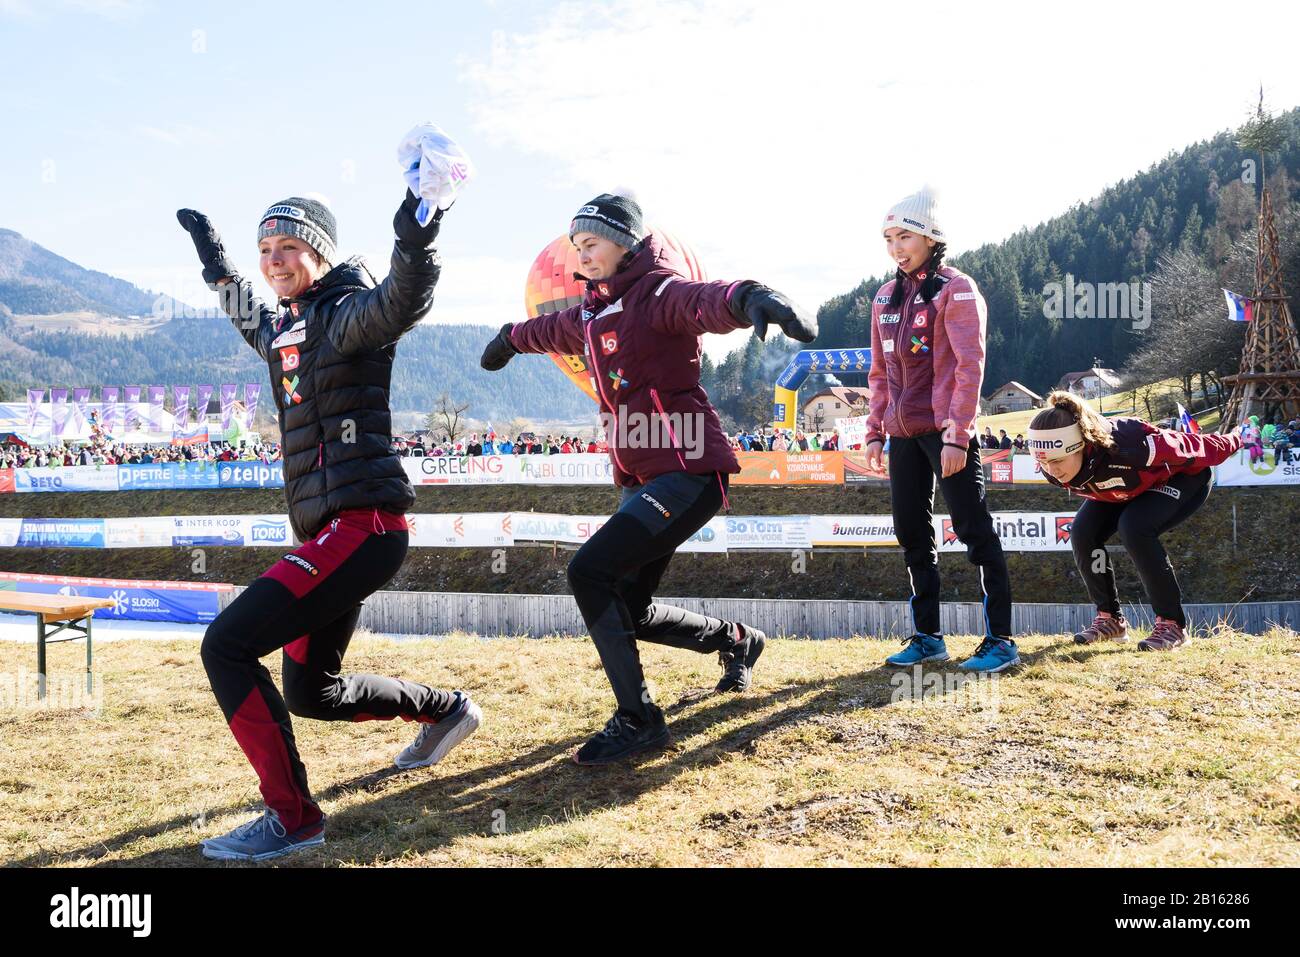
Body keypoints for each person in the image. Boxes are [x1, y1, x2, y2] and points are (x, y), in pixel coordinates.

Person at [176, 187, 479, 862]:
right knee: (313, 691)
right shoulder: (289, 327)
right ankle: (445, 709)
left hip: (361, 528)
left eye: (289, 247)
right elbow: (251, 319)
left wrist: (417, 239)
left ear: (320, 250)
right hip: (332, 536)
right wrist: (217, 264)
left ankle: (293, 818)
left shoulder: (345, 313)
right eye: (266, 250)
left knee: (225, 645)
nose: (275, 261)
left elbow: (400, 300)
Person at [480, 191, 816, 764]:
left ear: (626, 243)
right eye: (577, 247)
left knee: (588, 572)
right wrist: (511, 338)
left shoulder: (657, 292)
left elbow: (706, 301)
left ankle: (638, 718)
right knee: (627, 607)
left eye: (593, 244)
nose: (583, 256)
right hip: (642, 478)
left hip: (686, 468)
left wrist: (755, 298)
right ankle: (737, 641)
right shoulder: (590, 311)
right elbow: (548, 329)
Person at [862, 186, 1018, 673]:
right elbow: (879, 372)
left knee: (974, 531)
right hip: (902, 434)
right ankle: (928, 637)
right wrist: (873, 429)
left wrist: (957, 433)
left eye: (904, 235)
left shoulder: (957, 288)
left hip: (946, 432)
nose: (895, 246)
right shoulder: (884, 296)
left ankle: (1000, 641)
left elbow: (969, 366)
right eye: (888, 237)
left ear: (931, 238)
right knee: (912, 533)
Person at [1028, 391, 1242, 651]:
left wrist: (1235, 438)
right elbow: (1062, 466)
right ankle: (1110, 621)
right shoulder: (1053, 465)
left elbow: (1200, 446)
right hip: (1123, 489)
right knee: (1083, 533)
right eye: (1043, 462)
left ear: (1082, 443)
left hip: (1183, 479)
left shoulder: (1133, 443)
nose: (1052, 471)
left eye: (1058, 461)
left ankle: (1172, 625)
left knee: (1134, 527)